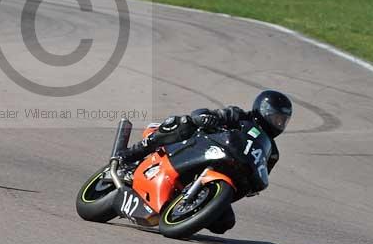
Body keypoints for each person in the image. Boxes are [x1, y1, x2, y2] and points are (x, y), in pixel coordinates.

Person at [115, 90, 292, 234]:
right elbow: (204, 114)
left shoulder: (272, 152)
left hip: (230, 169)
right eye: (276, 117)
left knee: (225, 223)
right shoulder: (239, 116)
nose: (278, 123)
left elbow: (263, 169)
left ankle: (187, 210)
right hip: (198, 146)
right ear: (263, 110)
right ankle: (129, 154)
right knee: (182, 124)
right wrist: (206, 118)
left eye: (283, 120)